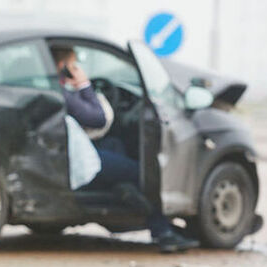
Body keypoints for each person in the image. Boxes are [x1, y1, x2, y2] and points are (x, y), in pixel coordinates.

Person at [51, 45, 199, 253]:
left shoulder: (53, 89)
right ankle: (162, 230)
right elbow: (97, 118)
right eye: (73, 65)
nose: (76, 68)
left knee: (115, 145)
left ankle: (122, 191)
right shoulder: (61, 93)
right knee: (141, 173)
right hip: (76, 159)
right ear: (63, 66)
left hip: (73, 150)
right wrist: (84, 85)